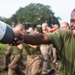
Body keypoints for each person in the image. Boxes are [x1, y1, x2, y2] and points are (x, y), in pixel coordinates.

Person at [12, 8, 75, 75]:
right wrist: (24, 37)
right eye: (72, 21)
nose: (74, 25)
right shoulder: (65, 35)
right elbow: (42, 37)